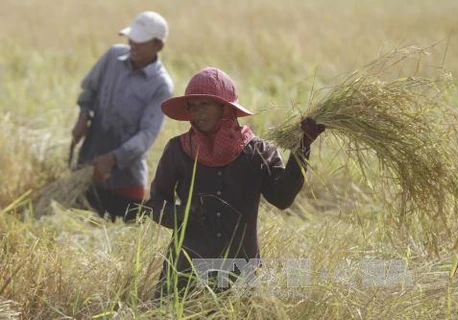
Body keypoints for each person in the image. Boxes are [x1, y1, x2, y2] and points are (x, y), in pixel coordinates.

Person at [147, 67, 325, 298]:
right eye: (193, 106)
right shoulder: (178, 150)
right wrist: (182, 213)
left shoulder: (258, 152)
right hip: (184, 272)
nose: (197, 112)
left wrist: (303, 147)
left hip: (238, 275)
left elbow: (281, 198)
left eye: (205, 104)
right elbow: (155, 205)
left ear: (226, 108)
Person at [71, 11, 174, 222]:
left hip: (125, 185)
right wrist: (83, 116)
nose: (133, 44)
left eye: (141, 41)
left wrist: (113, 159)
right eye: (132, 38)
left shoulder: (161, 85)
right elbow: (89, 90)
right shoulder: (113, 57)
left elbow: (146, 135)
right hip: (88, 171)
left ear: (158, 46)